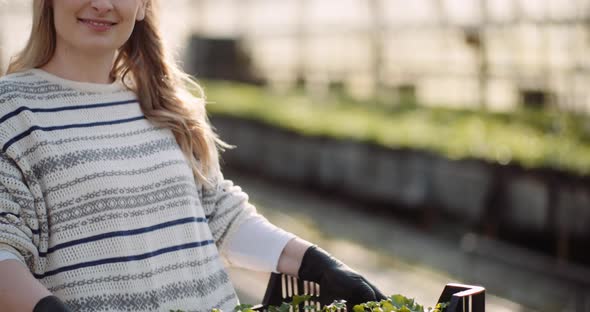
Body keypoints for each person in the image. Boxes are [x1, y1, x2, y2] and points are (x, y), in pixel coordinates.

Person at [0, 1, 385, 311]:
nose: (102, 4)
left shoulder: (161, 105)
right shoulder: (12, 111)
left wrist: (316, 263)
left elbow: (219, 214)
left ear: (142, 5)